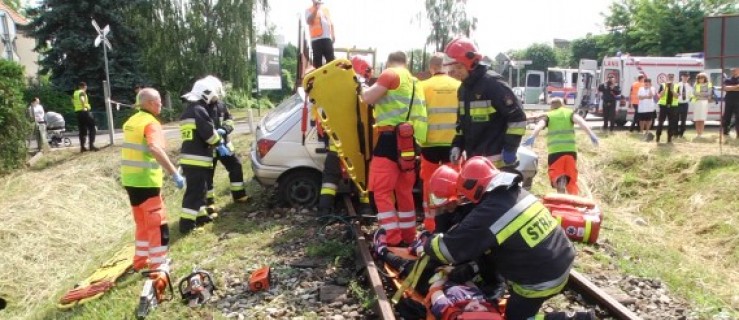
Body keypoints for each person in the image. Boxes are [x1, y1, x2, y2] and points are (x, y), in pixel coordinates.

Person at [422, 157, 576, 320]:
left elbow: (448, 250)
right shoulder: (513, 192)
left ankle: (574, 318)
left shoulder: (490, 212)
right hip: (561, 256)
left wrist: (427, 242)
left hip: (541, 279)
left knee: (515, 318)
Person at [362, 51, 427, 246]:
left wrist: (363, 86)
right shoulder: (415, 82)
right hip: (410, 142)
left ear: (389, 63)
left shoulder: (390, 74)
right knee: (404, 190)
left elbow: (368, 98)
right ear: (406, 63)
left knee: (381, 191)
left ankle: (392, 238)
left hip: (390, 140)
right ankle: (408, 237)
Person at [120, 88, 184, 286]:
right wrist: (174, 173)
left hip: (130, 180)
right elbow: (154, 148)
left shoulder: (131, 121)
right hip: (146, 181)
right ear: (147, 103)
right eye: (157, 102)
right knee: (157, 224)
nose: (161, 105)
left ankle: (140, 261)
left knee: (142, 223)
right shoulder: (151, 123)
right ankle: (158, 265)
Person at [443, 37, 527, 168]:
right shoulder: (463, 90)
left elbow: (518, 117)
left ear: (471, 63)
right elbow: (462, 125)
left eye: (458, 67)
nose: (455, 72)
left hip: (498, 164)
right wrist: (457, 145)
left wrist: (510, 148)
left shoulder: (493, 84)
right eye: (453, 68)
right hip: (474, 163)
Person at [315, 56, 374, 219]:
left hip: (336, 145)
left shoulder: (332, 87)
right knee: (363, 177)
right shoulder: (362, 87)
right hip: (358, 147)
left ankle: (324, 211)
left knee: (330, 180)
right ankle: (366, 209)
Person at [418, 53, 460, 232]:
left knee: (430, 182)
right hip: (454, 144)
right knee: (454, 182)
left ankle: (431, 224)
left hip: (429, 144)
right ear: (447, 67)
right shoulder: (459, 86)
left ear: (431, 68)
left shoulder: (422, 86)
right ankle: (454, 222)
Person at [178, 76, 226, 234]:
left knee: (200, 191)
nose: (214, 99)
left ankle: (201, 217)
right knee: (194, 193)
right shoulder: (199, 110)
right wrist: (219, 142)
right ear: (207, 93)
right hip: (197, 160)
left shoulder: (188, 111)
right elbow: (208, 135)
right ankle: (186, 224)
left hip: (191, 159)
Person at [523, 98, 599, 195]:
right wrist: (591, 135)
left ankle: (561, 199)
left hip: (555, 153)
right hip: (571, 152)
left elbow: (540, 126)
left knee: (558, 177)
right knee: (571, 177)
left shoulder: (549, 115)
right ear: (562, 105)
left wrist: (532, 136)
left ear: (551, 106)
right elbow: (581, 122)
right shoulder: (569, 113)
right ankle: (574, 201)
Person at [205, 99, 249, 214]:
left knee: (236, 166)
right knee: (207, 175)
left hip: (224, 146)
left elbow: (229, 119)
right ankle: (209, 203)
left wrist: (224, 129)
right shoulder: (201, 107)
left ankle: (239, 196)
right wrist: (216, 142)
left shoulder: (221, 104)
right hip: (209, 148)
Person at [305, 0, 335, 68]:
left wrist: (333, 35)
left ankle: (330, 78)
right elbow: (309, 21)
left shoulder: (325, 10)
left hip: (327, 39)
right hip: (316, 40)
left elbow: (330, 22)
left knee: (331, 62)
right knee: (318, 64)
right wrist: (315, 9)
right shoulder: (308, 10)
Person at [73, 82, 98, 152]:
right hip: (84, 112)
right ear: (85, 86)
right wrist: (84, 106)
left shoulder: (75, 93)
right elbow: (82, 99)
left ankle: (82, 147)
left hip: (78, 113)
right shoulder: (82, 92)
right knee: (92, 128)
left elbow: (73, 101)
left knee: (82, 130)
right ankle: (91, 146)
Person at [656, 74, 680, 143]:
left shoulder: (676, 86)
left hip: (673, 107)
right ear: (667, 78)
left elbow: (676, 97)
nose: (670, 79)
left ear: (673, 78)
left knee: (671, 123)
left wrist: (672, 90)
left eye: (672, 77)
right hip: (663, 107)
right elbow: (660, 96)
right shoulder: (663, 85)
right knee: (660, 122)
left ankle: (669, 138)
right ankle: (658, 137)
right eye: (669, 77)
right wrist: (666, 88)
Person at [691, 73, 712, 139]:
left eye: (702, 78)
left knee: (702, 118)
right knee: (697, 119)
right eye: (699, 78)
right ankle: (698, 134)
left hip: (704, 103)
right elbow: (695, 93)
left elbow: (709, 93)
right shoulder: (696, 84)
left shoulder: (709, 84)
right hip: (697, 102)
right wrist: (704, 94)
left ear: (705, 78)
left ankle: (701, 134)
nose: (701, 79)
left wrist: (700, 94)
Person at [722, 67, 739, 138]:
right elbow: (725, 88)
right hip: (729, 100)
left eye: (735, 70)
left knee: (738, 117)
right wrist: (736, 87)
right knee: (727, 116)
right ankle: (725, 132)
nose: (733, 71)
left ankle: (738, 134)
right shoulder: (728, 79)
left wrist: (730, 88)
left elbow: (728, 88)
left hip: (738, 100)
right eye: (732, 70)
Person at [676, 73, 693, 139]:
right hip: (678, 103)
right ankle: (676, 133)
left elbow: (691, 95)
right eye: (684, 77)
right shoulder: (677, 85)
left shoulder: (689, 86)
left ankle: (681, 133)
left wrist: (690, 98)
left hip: (685, 104)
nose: (685, 78)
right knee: (676, 119)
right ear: (681, 77)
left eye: (687, 77)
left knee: (683, 120)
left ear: (688, 78)